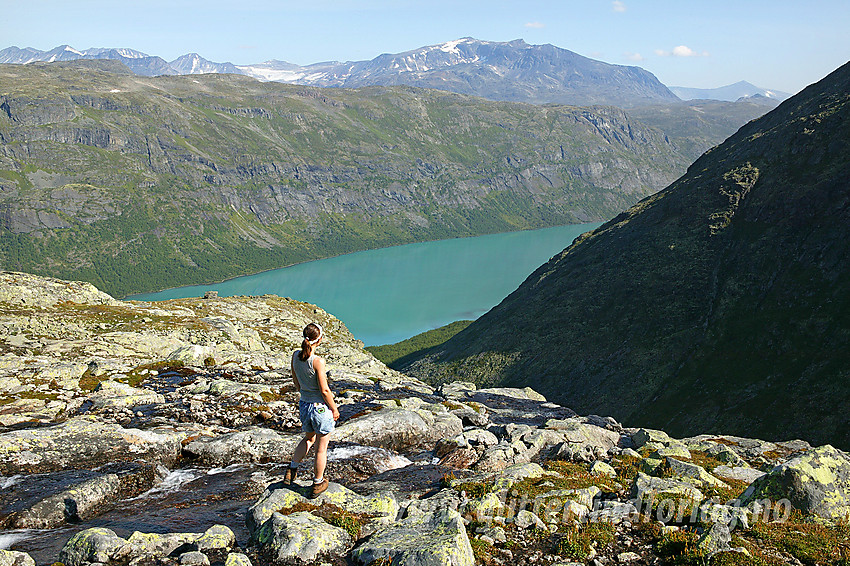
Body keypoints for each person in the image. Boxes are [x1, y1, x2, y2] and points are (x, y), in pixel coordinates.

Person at [283, 322, 340, 497]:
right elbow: (324, 390)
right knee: (321, 449)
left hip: (305, 404)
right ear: (319, 339)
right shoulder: (317, 361)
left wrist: (305, 394)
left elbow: (296, 382)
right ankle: (317, 483)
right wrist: (334, 409)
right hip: (320, 408)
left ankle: (291, 470)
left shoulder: (295, 356)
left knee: (308, 439)